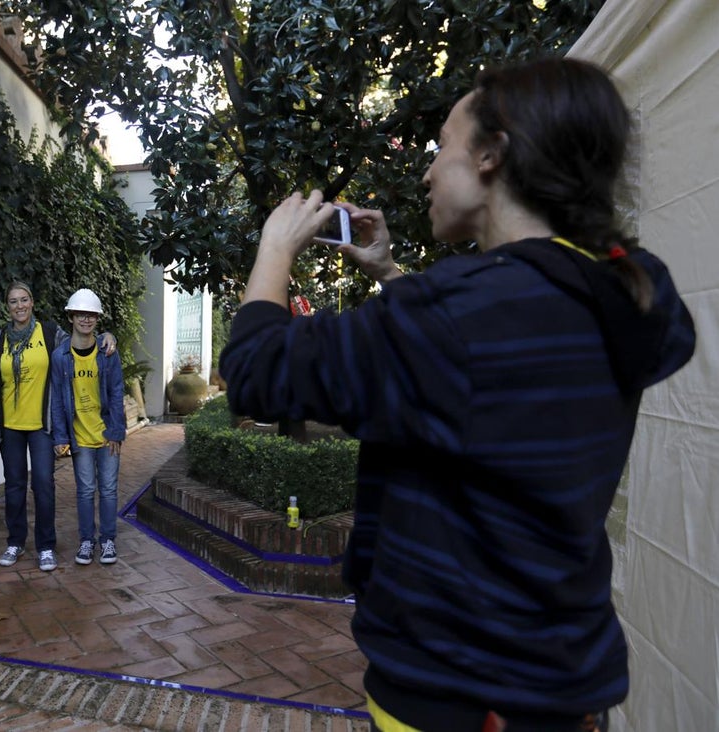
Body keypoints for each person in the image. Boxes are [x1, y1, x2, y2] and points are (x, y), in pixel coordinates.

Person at [219, 57, 696, 732]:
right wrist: (388, 273)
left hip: (456, 695)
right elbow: (485, 368)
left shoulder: (459, 316)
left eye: (443, 146)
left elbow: (256, 370)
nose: (427, 170)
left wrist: (273, 249)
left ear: (492, 157)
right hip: (562, 688)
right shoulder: (615, 290)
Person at [0, 280, 115, 572]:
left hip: (42, 426)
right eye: (14, 301)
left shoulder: (50, 333)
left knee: (43, 484)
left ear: (32, 302)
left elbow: (83, 337)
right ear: (8, 306)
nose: (20, 306)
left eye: (24, 299)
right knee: (14, 486)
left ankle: (45, 546)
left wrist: (107, 334)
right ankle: (15, 541)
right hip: (10, 428)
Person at [50, 288, 126, 565]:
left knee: (108, 489)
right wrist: (61, 436)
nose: (86, 319)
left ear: (97, 318)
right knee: (84, 490)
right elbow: (57, 399)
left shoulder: (108, 352)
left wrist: (117, 431)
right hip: (79, 436)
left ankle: (107, 541)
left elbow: (117, 392)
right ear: (71, 316)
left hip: (106, 435)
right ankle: (86, 541)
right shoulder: (60, 357)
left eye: (91, 314)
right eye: (80, 314)